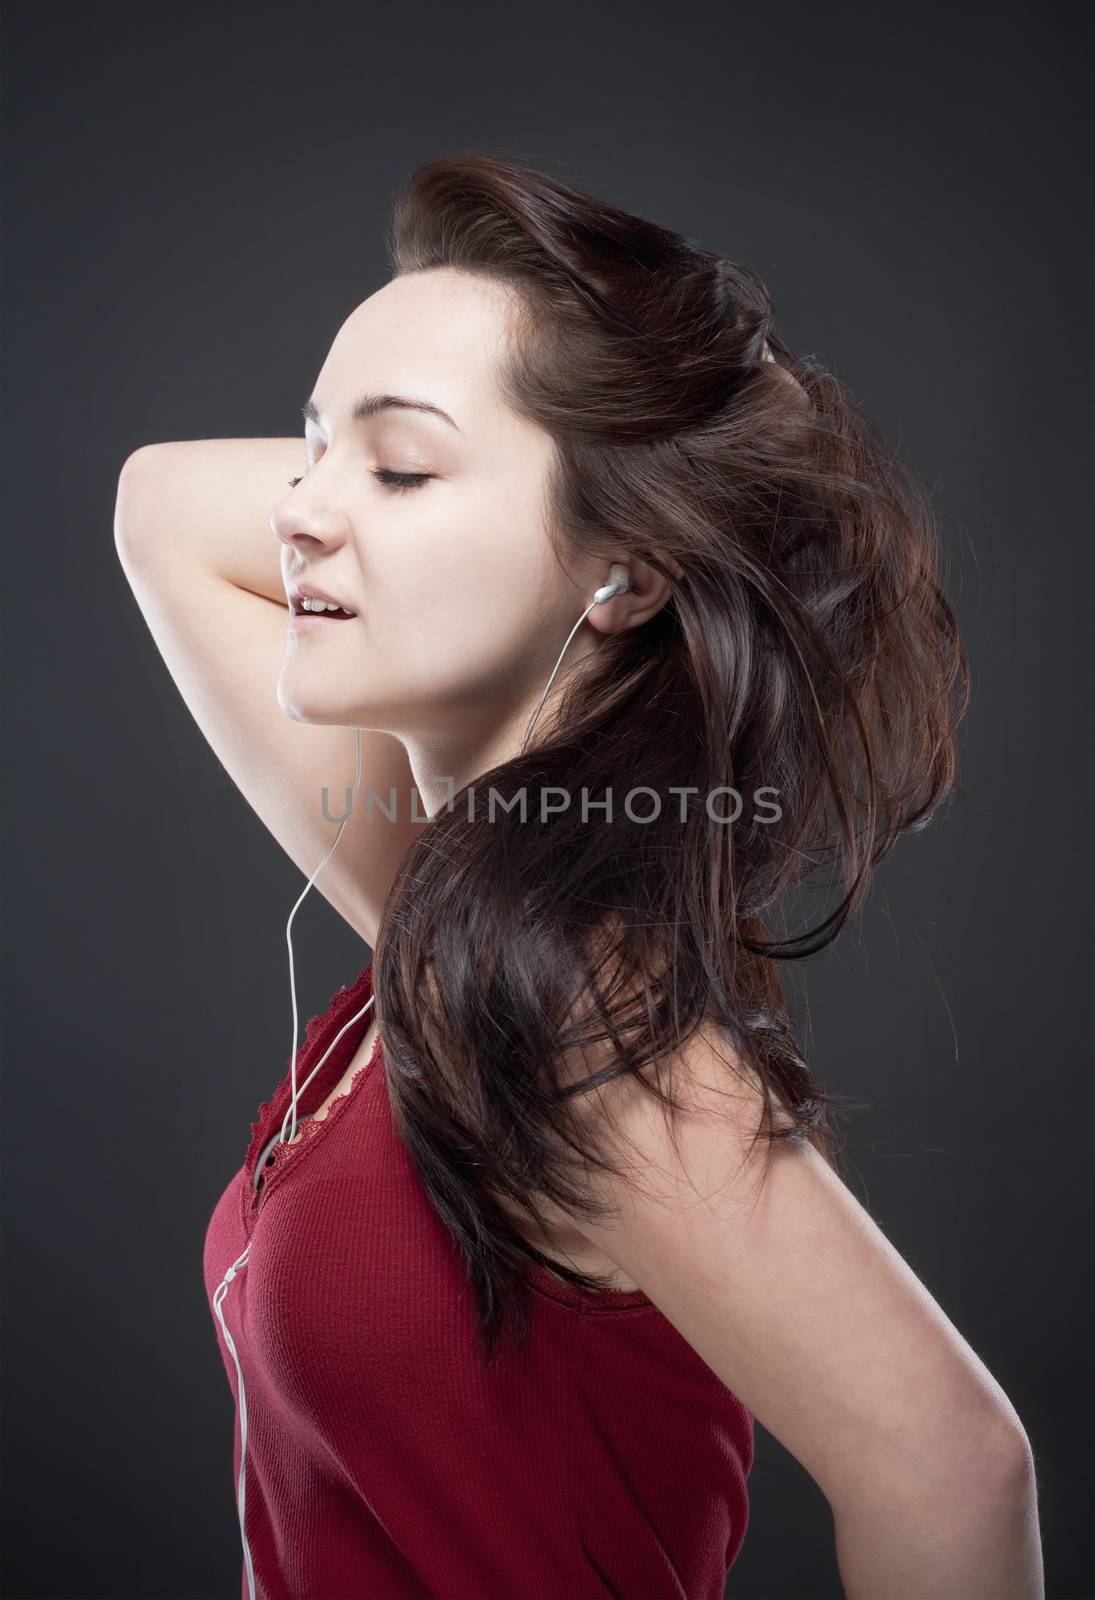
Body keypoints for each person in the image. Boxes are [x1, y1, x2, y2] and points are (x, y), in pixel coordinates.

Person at [113, 151, 1043, 1600]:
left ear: (620, 575)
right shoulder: (446, 920)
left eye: (403, 465)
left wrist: (653, 490)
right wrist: (403, 470)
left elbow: (953, 1470)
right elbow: (158, 505)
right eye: (307, 452)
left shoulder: (568, 1017)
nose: (297, 510)